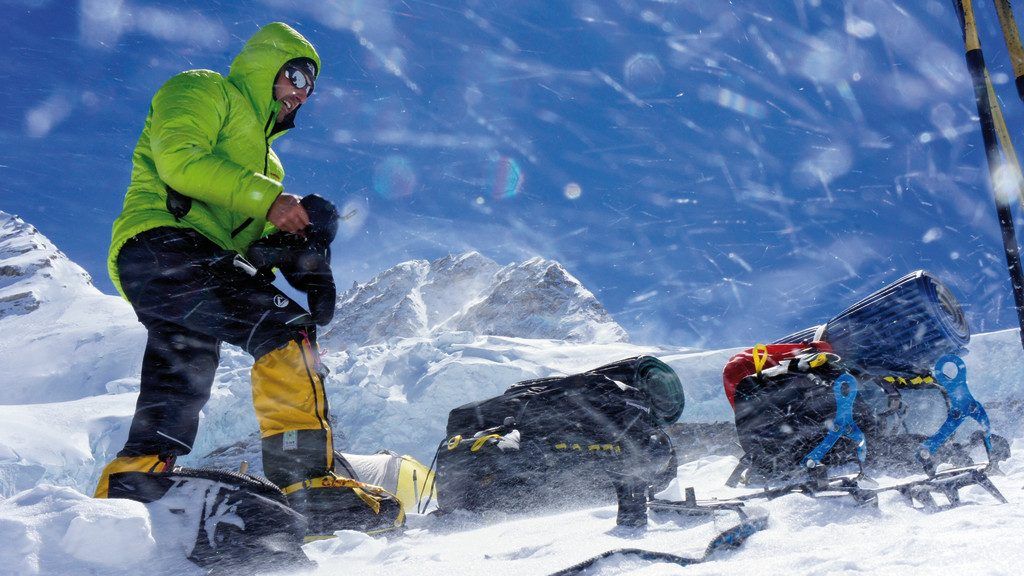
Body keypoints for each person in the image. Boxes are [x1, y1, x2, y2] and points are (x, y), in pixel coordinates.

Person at [93, 22, 351, 530]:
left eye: (311, 86)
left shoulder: (268, 163)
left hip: (189, 261)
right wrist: (271, 201)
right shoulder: (203, 88)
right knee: (283, 331)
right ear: (265, 67)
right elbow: (181, 160)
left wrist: (304, 252)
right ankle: (306, 482)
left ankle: (130, 487)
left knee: (184, 370)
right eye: (295, 75)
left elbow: (246, 247)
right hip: (162, 243)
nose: (302, 93)